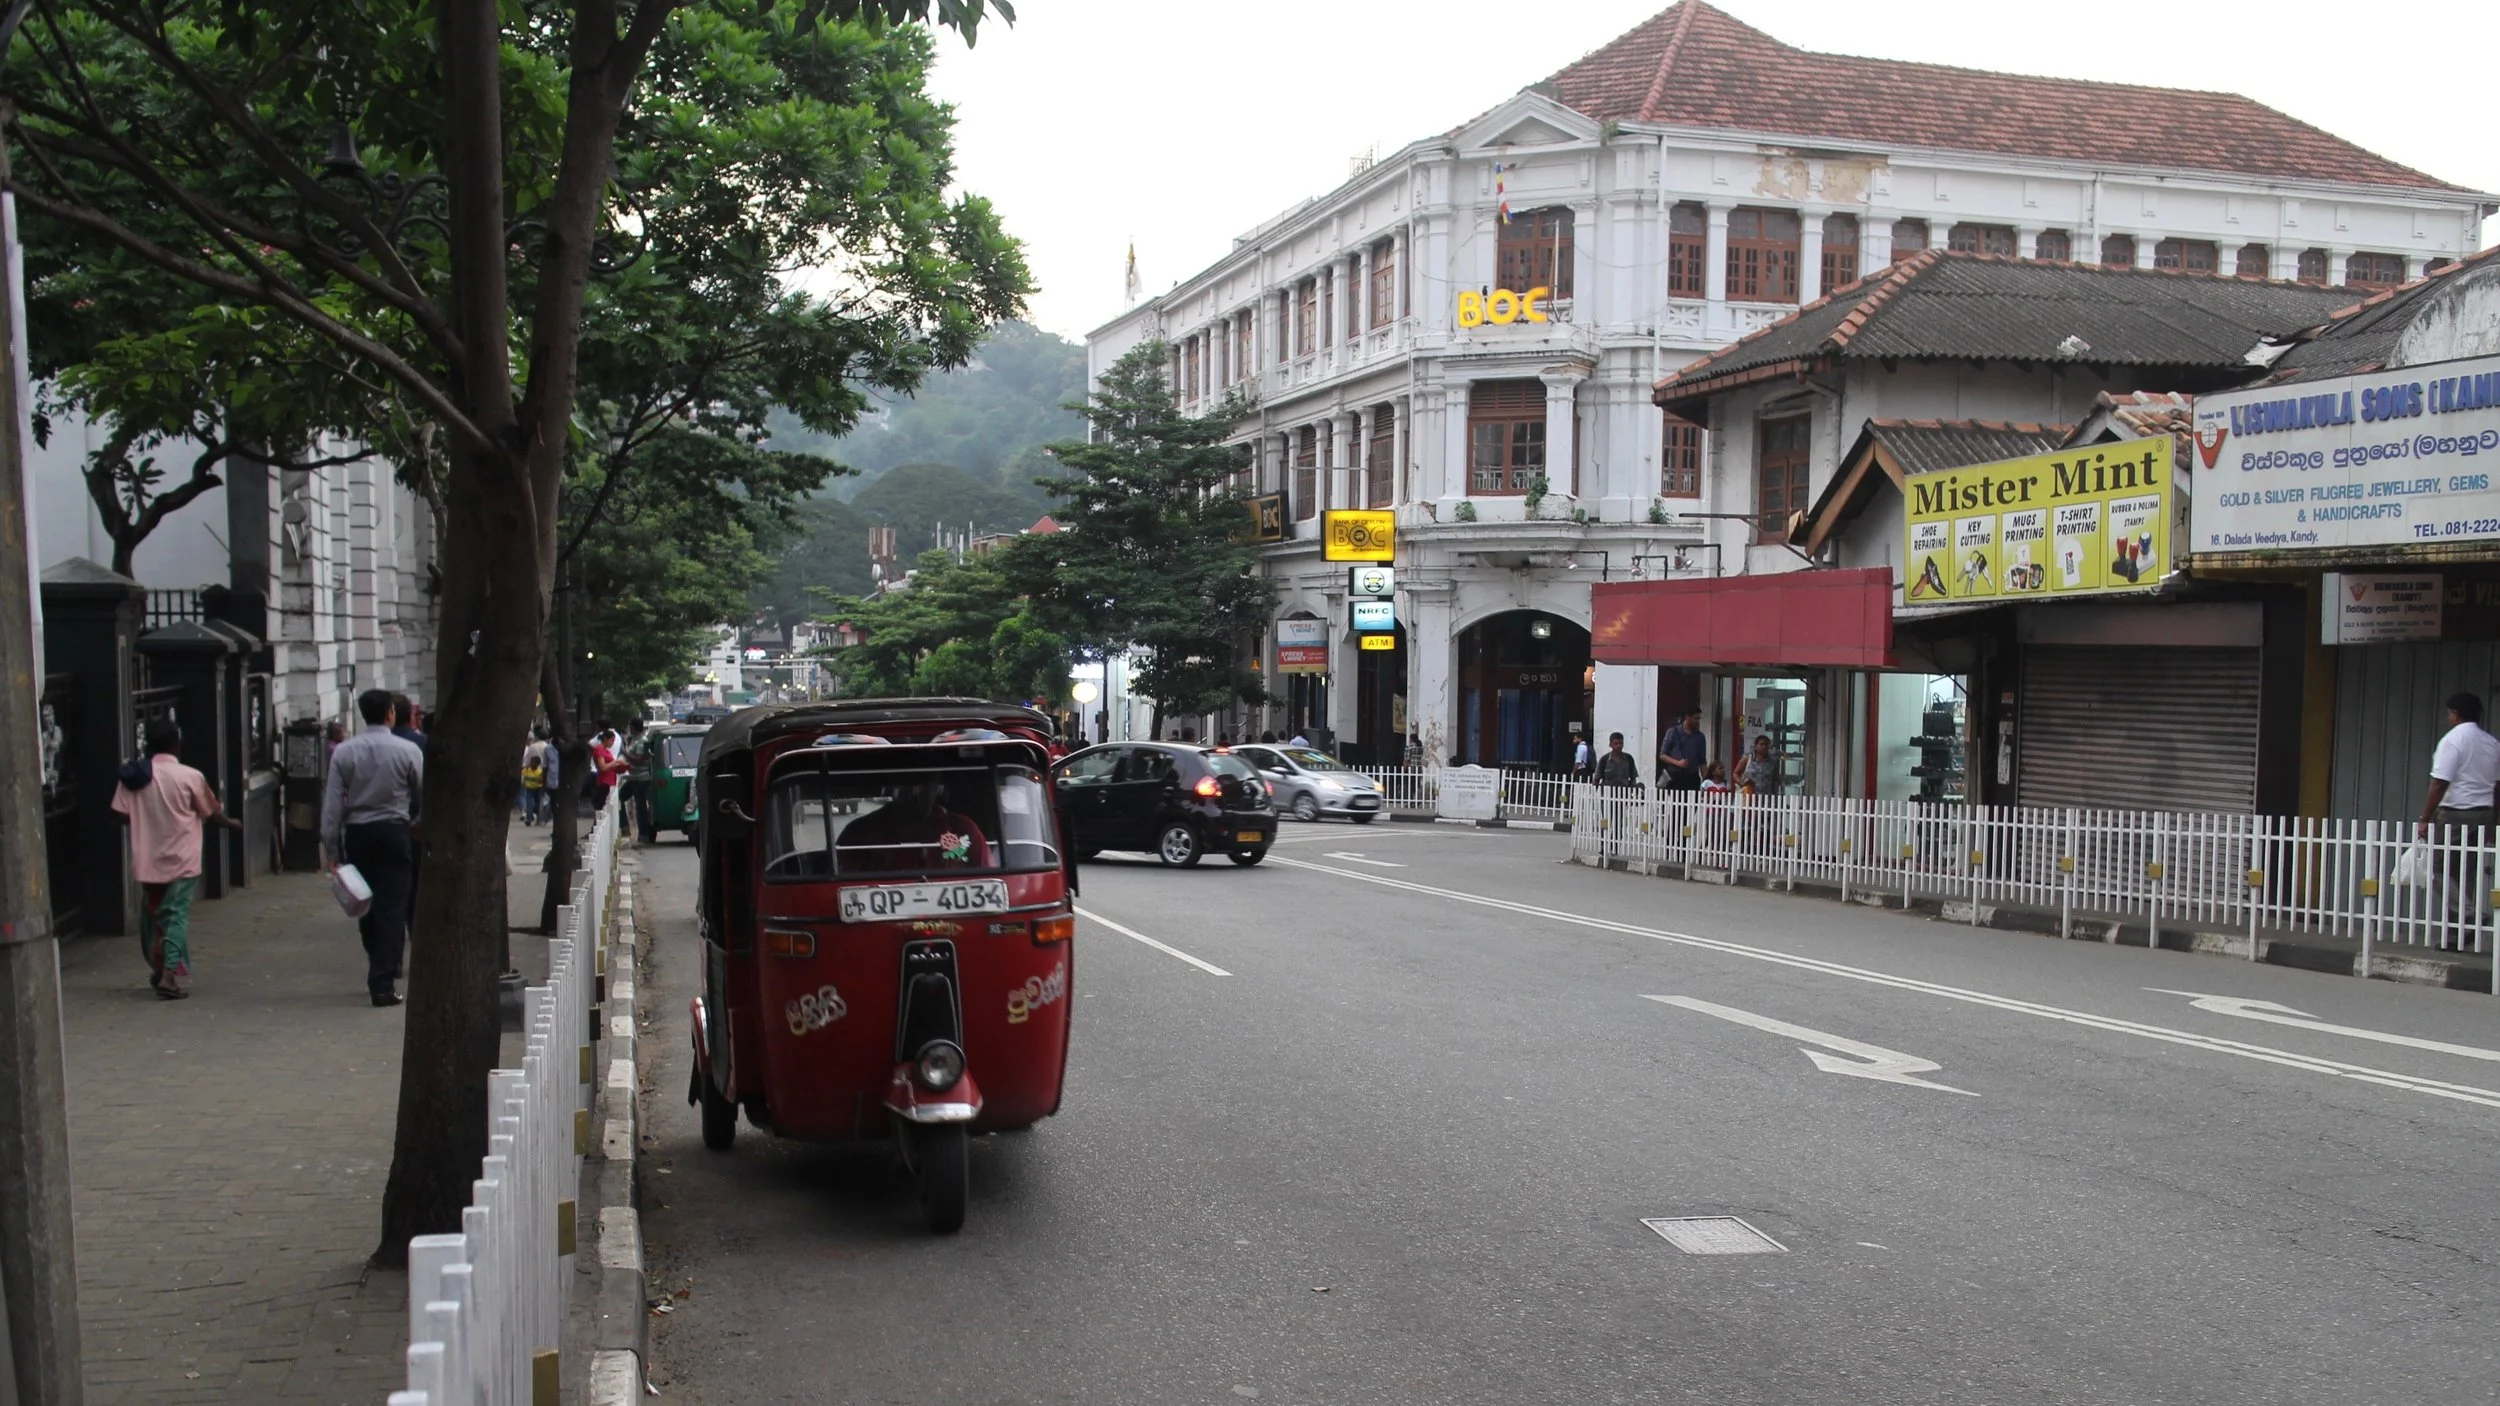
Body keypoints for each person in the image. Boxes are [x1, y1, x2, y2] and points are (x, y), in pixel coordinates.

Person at [111, 719, 243, 999]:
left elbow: (121, 814)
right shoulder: (190, 776)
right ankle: (169, 975)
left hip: (149, 859)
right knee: (175, 916)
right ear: (177, 744)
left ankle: (159, 968)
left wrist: (146, 818)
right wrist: (231, 823)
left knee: (155, 914)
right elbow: (210, 812)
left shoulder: (136, 777)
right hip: (183, 859)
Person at [323, 689, 425, 1007]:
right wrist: (419, 822)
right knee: (394, 904)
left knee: (365, 902)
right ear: (392, 713)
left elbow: (332, 805)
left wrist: (331, 849)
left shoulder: (344, 752)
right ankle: (383, 978)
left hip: (358, 834)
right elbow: (423, 792)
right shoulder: (407, 751)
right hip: (395, 831)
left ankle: (377, 957)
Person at [2419, 691, 2500, 940]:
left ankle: (2467, 914)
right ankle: (2461, 932)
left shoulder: (2453, 741)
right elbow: (2497, 787)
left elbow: (2440, 783)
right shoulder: (2491, 743)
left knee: (2436, 868)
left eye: (2449, 713)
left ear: (2455, 714)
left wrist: (2425, 818)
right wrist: (2494, 822)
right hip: (2484, 813)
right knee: (2467, 870)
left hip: (2456, 813)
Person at [838, 779, 992, 872]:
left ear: (937, 786)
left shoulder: (962, 829)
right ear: (893, 787)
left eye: (923, 783)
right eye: (907, 783)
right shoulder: (860, 832)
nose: (915, 793)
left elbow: (990, 879)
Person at [620, 722, 655, 842]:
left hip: (641, 778)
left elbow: (640, 760)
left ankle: (644, 834)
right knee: (620, 798)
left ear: (634, 728)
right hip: (633, 777)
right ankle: (624, 827)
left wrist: (624, 753)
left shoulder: (643, 741)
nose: (629, 729)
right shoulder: (634, 740)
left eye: (630, 727)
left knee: (640, 807)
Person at [1658, 708, 1708, 792]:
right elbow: (1662, 755)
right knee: (1677, 802)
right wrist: (1678, 763)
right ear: (1687, 717)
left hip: (1692, 776)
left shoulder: (1700, 737)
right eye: (1695, 718)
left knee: (1693, 802)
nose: (1697, 721)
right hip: (1675, 776)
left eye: (1699, 719)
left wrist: (1706, 781)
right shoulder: (1673, 732)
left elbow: (1702, 761)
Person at [520, 725, 556, 827]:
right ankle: (540, 817)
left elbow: (527, 761)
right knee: (541, 798)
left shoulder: (532, 747)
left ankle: (529, 816)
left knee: (529, 797)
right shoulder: (547, 747)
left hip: (531, 775)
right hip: (542, 775)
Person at [1741, 733, 1779, 797]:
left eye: (1766, 744)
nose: (1764, 746)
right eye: (1761, 744)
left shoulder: (1772, 762)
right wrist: (1742, 782)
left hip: (1767, 798)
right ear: (1756, 746)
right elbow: (1735, 773)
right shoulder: (1748, 759)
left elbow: (1775, 779)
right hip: (1750, 796)